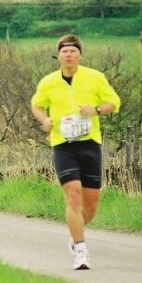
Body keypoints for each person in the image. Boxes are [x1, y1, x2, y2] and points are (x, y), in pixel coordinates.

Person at [31, 34, 121, 270]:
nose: (69, 55)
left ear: (80, 55)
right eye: (64, 51)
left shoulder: (95, 77)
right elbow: (36, 104)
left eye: (73, 51)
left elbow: (114, 102)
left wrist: (97, 109)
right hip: (63, 144)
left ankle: (75, 234)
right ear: (58, 56)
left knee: (90, 205)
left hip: (90, 143)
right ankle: (81, 251)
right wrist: (45, 120)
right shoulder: (48, 82)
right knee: (73, 194)